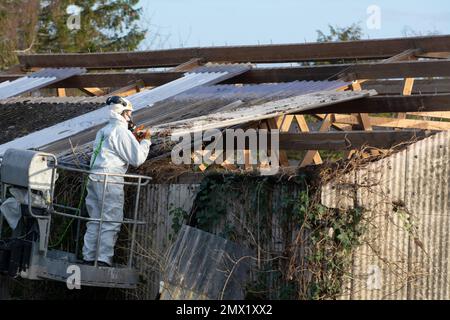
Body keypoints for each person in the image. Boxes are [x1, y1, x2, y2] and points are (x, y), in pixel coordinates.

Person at [82, 96, 151, 267]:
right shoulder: (121, 131)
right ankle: (103, 259)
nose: (130, 117)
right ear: (124, 113)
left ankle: (89, 256)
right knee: (111, 219)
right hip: (110, 179)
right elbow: (137, 158)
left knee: (96, 219)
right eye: (129, 113)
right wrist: (146, 141)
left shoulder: (104, 130)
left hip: (95, 176)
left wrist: (132, 139)